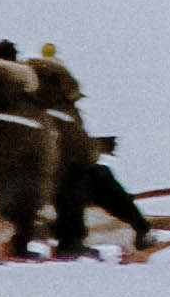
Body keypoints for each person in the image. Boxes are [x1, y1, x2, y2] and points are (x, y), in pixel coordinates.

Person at [29, 44, 155, 259]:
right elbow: (79, 151)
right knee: (92, 175)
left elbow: (62, 144)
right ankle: (138, 229)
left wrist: (93, 145)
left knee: (86, 174)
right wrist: (97, 148)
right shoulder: (60, 110)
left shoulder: (31, 109)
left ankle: (139, 228)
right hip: (50, 185)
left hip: (34, 178)